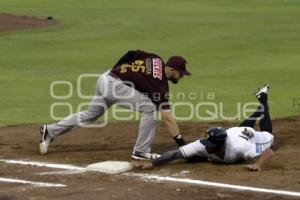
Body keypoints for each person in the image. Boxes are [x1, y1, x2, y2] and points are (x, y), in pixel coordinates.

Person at [39, 49, 191, 160]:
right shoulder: (160, 85)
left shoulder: (155, 58)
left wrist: (116, 69)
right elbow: (167, 117)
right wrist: (182, 145)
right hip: (114, 86)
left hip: (106, 77)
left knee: (90, 115)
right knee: (150, 109)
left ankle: (50, 131)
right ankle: (141, 150)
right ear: (171, 69)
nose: (181, 77)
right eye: (180, 73)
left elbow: (132, 53)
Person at [134, 84, 274, 171]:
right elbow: (175, 154)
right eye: (207, 143)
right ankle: (262, 102)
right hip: (234, 133)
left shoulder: (240, 148)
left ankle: (264, 103)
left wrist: (258, 164)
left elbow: (268, 152)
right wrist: (154, 163)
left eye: (210, 145)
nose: (206, 147)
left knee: (268, 133)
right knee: (240, 128)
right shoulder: (202, 144)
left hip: (249, 138)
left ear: (220, 144)